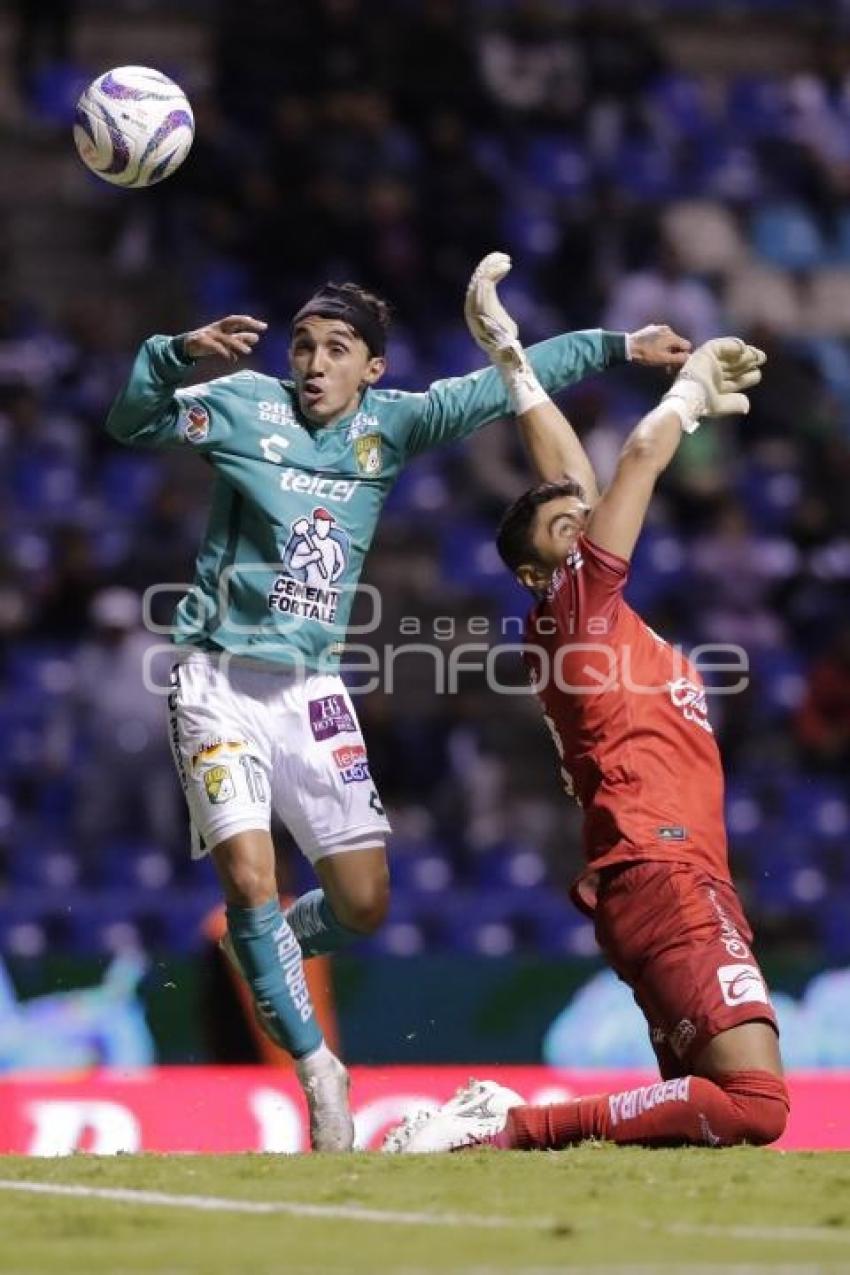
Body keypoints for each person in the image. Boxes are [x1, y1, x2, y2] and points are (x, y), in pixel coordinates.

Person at [105, 278, 690, 1151]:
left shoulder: (395, 424)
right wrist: (176, 352)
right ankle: (318, 1071)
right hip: (217, 680)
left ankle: (261, 952)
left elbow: (504, 380)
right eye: (303, 345)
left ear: (372, 368)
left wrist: (618, 345)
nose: (312, 363)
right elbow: (132, 419)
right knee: (251, 883)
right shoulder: (241, 406)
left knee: (364, 902)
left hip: (312, 690)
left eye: (336, 349)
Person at [386, 255, 788, 1155]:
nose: (589, 524)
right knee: (756, 1104)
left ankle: (520, 1132)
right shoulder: (575, 609)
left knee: (704, 1108)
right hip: (664, 870)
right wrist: (686, 394)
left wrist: (514, 361)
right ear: (537, 573)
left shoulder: (588, 617)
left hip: (664, 876)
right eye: (569, 531)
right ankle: (513, 1126)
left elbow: (571, 482)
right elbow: (639, 454)